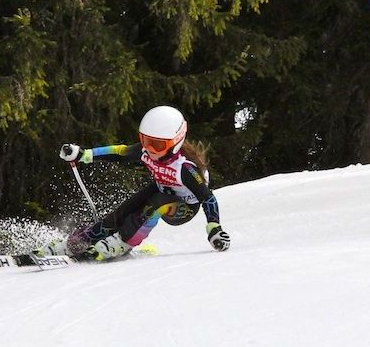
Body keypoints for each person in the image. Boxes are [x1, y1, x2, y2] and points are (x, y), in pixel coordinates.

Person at [36, 105, 230, 261]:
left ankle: (124, 241)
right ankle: (80, 241)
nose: (150, 149)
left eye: (158, 145)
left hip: (183, 208)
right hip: (162, 188)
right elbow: (121, 153)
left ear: (175, 141)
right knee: (125, 210)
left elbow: (208, 198)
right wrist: (85, 154)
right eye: (145, 140)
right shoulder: (147, 150)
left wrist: (214, 229)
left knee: (158, 202)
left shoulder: (185, 169)